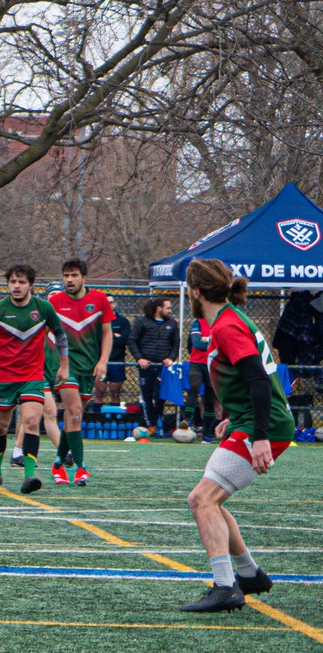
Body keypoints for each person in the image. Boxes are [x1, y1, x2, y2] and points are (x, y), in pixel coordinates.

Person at [177, 259, 294, 612]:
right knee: (210, 498)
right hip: (256, 420)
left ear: (196, 292)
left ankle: (226, 587)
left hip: (266, 425)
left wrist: (258, 435)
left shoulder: (226, 326)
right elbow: (249, 379)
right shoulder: (226, 320)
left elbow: (259, 380)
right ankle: (248, 575)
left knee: (201, 500)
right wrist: (235, 415)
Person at [0, 264, 68, 494]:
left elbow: (60, 335)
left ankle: (29, 475)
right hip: (4, 377)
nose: (16, 286)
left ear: (31, 285)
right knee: (0, 427)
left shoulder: (43, 308)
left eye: (21, 282)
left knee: (32, 422)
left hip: (33, 376)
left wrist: (64, 366)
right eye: (12, 281)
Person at [48, 258, 114, 486]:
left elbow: (107, 333)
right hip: (65, 367)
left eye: (74, 275)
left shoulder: (99, 299)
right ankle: (80, 468)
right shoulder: (54, 302)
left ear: (84, 278)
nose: (69, 279)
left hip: (90, 366)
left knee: (73, 418)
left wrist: (103, 361)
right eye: (66, 275)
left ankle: (57, 463)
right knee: (74, 413)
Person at [130, 298, 180, 436]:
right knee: (147, 397)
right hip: (146, 367)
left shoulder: (172, 324)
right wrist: (139, 358)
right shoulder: (143, 322)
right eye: (168, 308)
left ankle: (158, 422)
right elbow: (132, 340)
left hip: (162, 367)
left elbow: (176, 343)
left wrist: (170, 358)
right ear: (159, 308)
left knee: (160, 397)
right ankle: (149, 426)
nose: (170, 310)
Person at [185, 313, 217, 429]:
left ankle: (207, 432)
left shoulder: (220, 323)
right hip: (196, 363)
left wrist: (206, 339)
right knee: (194, 388)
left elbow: (224, 343)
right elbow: (196, 343)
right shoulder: (198, 322)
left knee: (210, 396)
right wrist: (213, 341)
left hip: (212, 363)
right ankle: (187, 421)